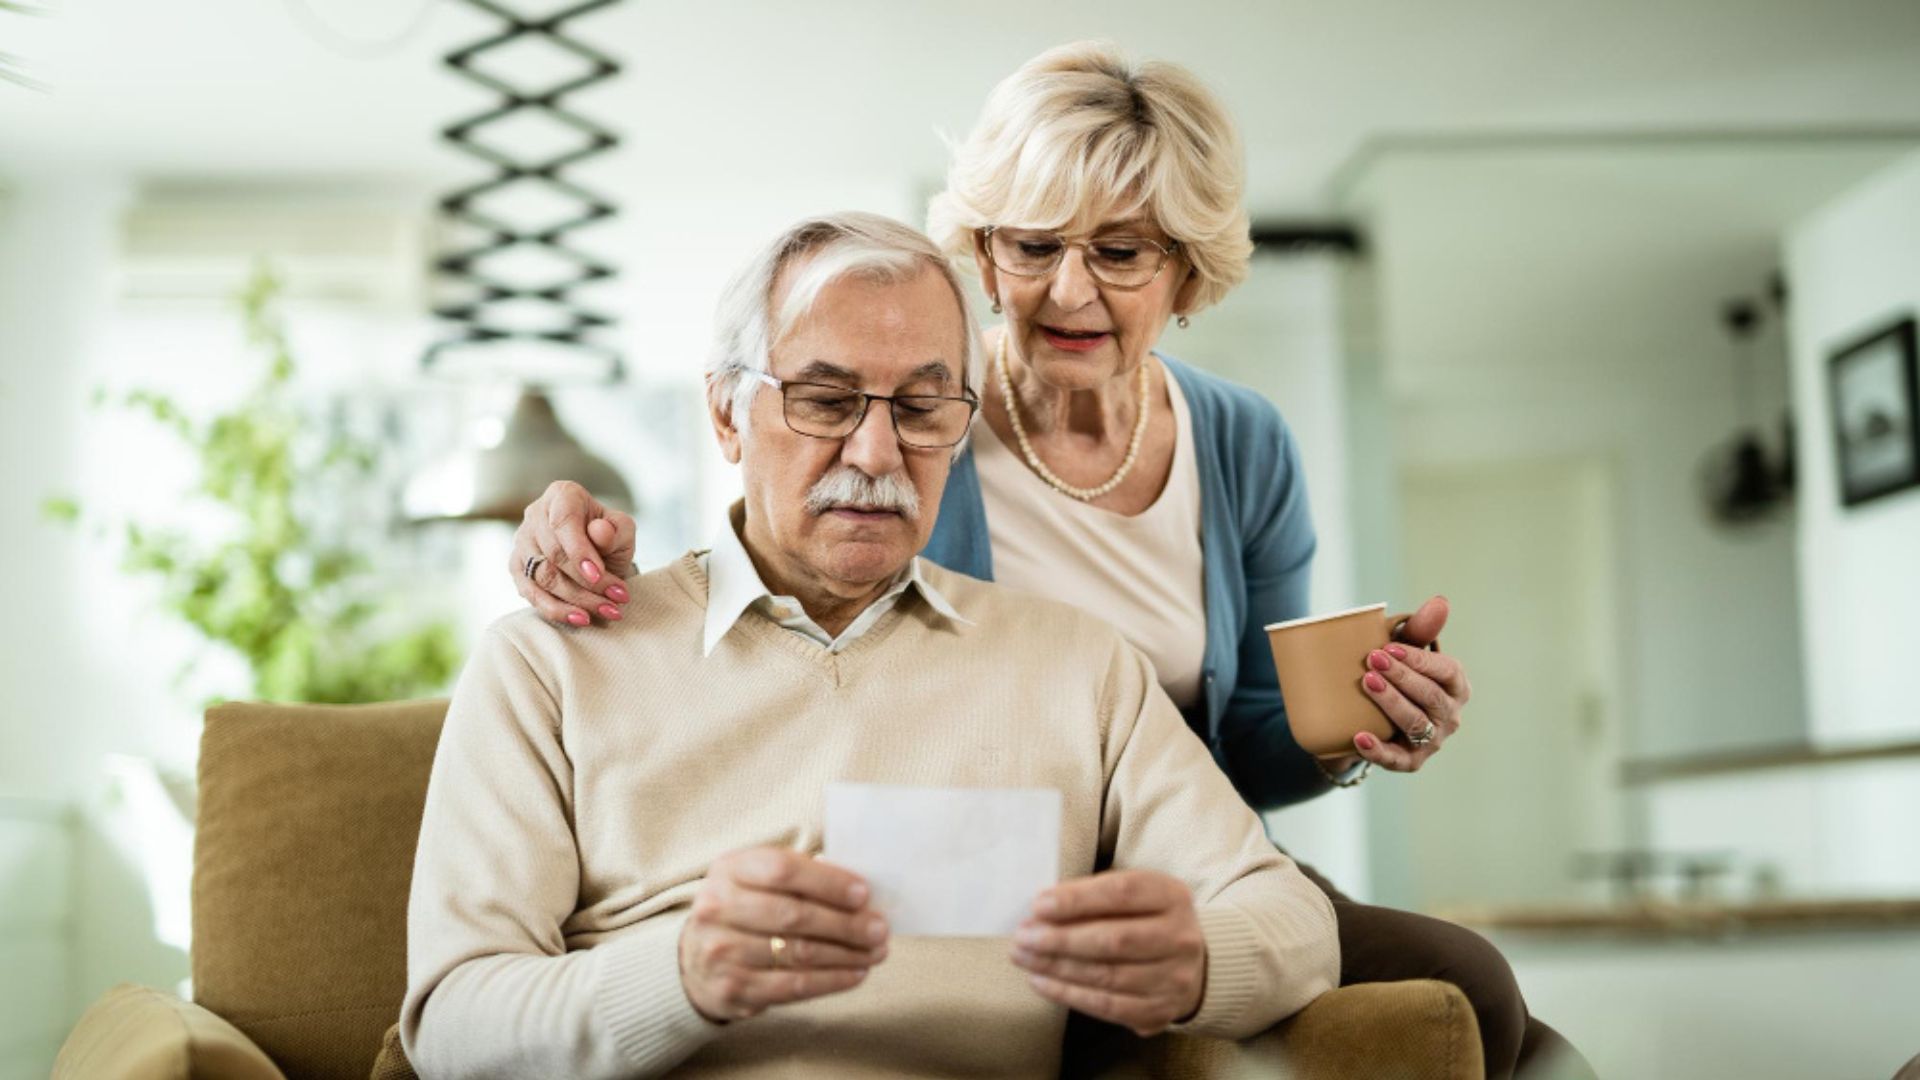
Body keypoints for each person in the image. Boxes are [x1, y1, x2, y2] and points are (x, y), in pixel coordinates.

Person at [502, 42, 1590, 1079]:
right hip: (968, 864)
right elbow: (765, 567)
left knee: (1485, 997)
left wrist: (1356, 726)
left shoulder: (1242, 444)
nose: (1070, 293)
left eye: (1119, 252)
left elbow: (1248, 749)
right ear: (983, 252)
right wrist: (569, 527)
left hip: (1165, 865)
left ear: (1186, 270)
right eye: (1031, 247)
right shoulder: (916, 416)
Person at [401, 213, 1339, 1080]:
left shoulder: (1078, 666)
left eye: (924, 409)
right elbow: (453, 1023)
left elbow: (1296, 924)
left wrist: (1201, 963)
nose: (878, 454)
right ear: (727, 413)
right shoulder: (552, 662)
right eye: (825, 399)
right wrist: (681, 977)